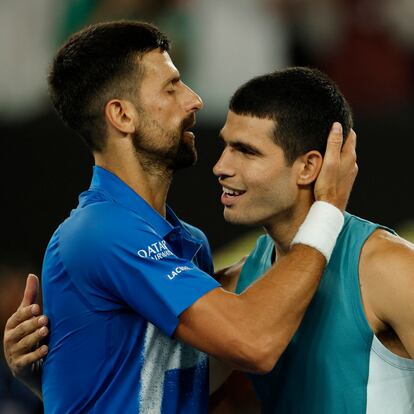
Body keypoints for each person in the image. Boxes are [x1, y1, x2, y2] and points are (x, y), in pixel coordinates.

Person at [3, 21, 357, 414]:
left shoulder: (188, 243)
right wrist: (327, 210)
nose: (194, 100)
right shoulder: (99, 233)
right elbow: (254, 341)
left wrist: (51, 378)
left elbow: (167, 386)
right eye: (171, 88)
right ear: (122, 115)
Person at [209, 68, 414, 413]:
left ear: (308, 167)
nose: (220, 166)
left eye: (246, 151)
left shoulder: (391, 270)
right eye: (226, 146)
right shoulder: (234, 284)